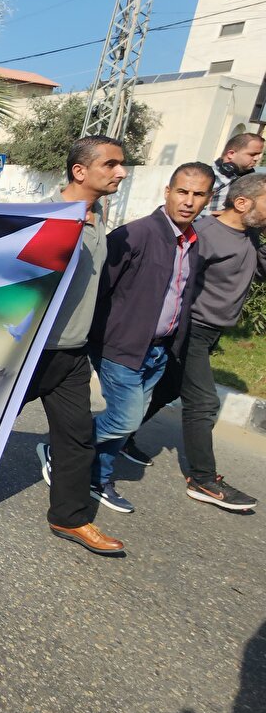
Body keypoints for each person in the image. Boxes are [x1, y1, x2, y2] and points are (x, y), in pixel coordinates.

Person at [126, 172, 266, 512]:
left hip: (211, 331)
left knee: (169, 389)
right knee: (203, 402)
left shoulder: (248, 237)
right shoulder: (204, 234)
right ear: (243, 202)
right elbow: (173, 282)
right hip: (192, 330)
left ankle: (119, 437)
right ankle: (203, 479)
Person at [22, 135, 128, 555]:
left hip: (73, 351)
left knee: (77, 437)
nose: (120, 172)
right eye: (111, 165)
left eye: (122, 165)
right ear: (79, 171)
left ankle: (71, 518)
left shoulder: (98, 215)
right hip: (31, 351)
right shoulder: (46, 217)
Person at [88, 161, 214, 513]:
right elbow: (100, 287)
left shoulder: (192, 241)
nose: (188, 201)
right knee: (125, 419)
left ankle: (98, 476)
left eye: (198, 194)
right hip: (122, 347)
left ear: (208, 199)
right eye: (182, 192)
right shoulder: (139, 233)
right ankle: (66, 446)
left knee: (127, 422)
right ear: (168, 192)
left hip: (158, 350)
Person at [203, 132, 262, 216]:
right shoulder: (207, 177)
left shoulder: (244, 178)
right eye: (252, 154)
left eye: (259, 154)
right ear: (231, 154)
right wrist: (221, 215)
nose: (257, 158)